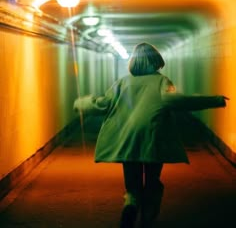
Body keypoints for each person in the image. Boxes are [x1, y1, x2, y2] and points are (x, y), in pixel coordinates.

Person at [73, 42, 228, 228]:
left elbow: (103, 103)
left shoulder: (122, 82)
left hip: (127, 138)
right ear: (156, 61)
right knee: (152, 179)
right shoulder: (162, 82)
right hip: (153, 138)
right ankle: (148, 216)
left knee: (132, 182)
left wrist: (81, 103)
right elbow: (178, 100)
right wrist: (215, 100)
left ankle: (130, 204)